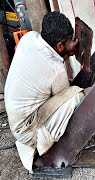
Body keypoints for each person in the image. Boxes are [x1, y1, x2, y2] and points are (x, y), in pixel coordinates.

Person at [4, 12, 85, 172]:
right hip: (28, 130)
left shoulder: (30, 37)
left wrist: (66, 52)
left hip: (17, 118)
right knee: (77, 95)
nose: (74, 45)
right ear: (59, 46)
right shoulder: (55, 68)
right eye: (70, 43)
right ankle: (52, 146)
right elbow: (63, 98)